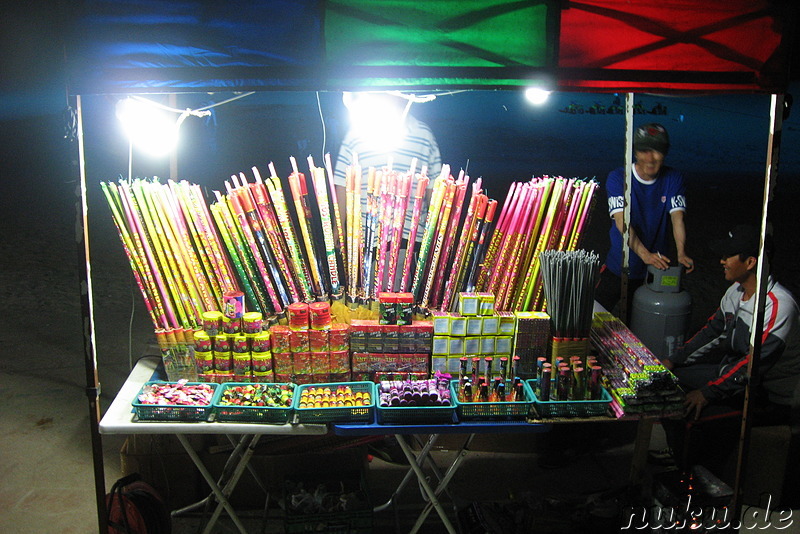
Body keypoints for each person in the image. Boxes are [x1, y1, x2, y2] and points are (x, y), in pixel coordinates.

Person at [655, 225, 800, 471]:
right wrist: (673, 361)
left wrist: (707, 393)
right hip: (732, 374)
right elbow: (712, 332)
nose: (721, 261)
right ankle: (681, 455)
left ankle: (699, 475)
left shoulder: (778, 306)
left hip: (770, 396)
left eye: (728, 256)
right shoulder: (735, 292)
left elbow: (753, 366)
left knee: (697, 412)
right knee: (666, 383)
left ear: (751, 262)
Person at [594, 123, 694, 316]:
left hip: (655, 269)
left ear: (665, 153)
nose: (650, 158)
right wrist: (644, 254)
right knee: (594, 316)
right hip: (619, 266)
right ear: (635, 152)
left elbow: (677, 218)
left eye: (657, 151)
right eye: (644, 150)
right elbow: (621, 221)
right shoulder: (618, 177)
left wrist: (681, 252)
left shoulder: (673, 178)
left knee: (640, 324)